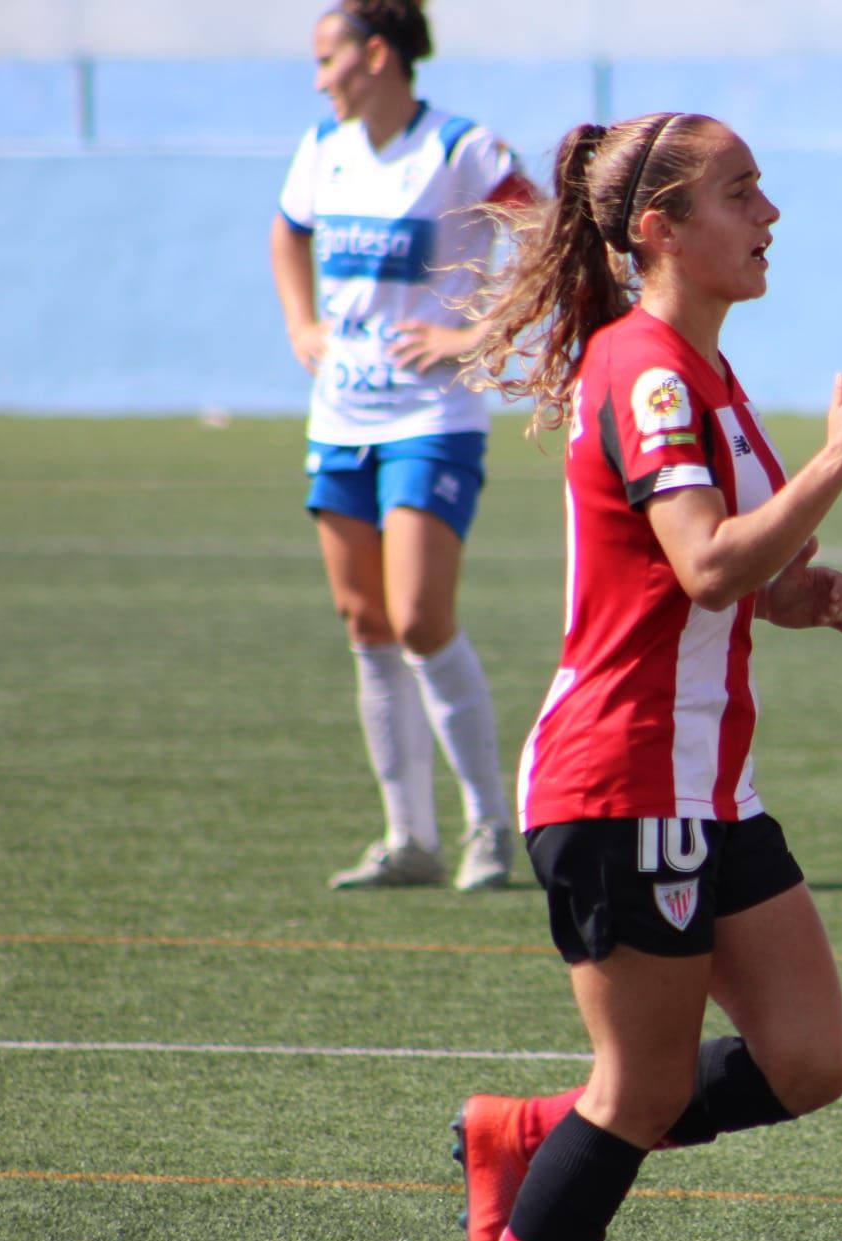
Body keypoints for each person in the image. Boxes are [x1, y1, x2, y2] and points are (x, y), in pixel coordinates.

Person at [446, 112, 842, 1241]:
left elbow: (704, 573)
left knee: (808, 1061)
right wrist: (832, 466)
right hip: (623, 777)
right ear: (659, 229)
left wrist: (785, 597)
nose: (770, 215)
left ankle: (519, 1130)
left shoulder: (701, 367)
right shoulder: (651, 372)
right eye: (742, 193)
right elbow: (706, 559)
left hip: (705, 784)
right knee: (641, 1090)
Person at [269, 0, 535, 891]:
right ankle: (407, 839)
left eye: (326, 57)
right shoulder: (324, 149)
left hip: (432, 419)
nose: (318, 78)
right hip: (341, 417)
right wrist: (301, 323)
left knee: (421, 617)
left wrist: (475, 338)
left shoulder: (462, 149)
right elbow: (288, 233)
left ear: (376, 54)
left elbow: (541, 237)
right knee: (366, 623)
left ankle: (490, 828)